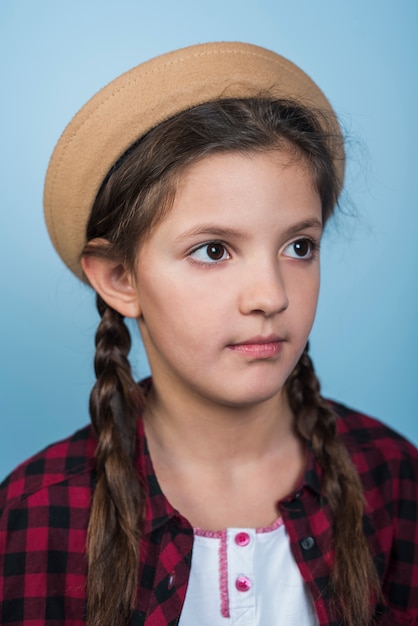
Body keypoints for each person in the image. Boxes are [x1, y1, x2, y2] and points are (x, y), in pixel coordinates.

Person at [0, 42, 416, 626]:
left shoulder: (393, 479)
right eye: (214, 250)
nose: (271, 295)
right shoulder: (34, 515)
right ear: (121, 278)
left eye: (299, 247)